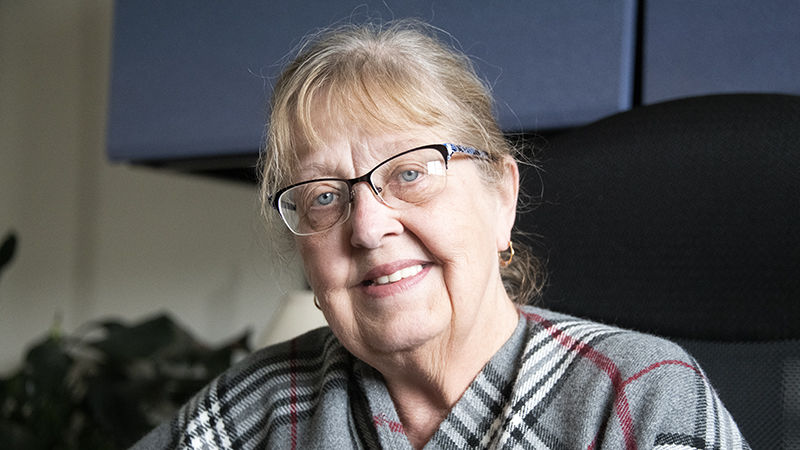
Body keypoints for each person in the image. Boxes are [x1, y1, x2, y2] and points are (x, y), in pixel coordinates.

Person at [133, 20, 749, 449]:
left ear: (501, 197)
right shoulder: (257, 407)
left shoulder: (639, 399)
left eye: (410, 172)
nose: (370, 227)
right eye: (324, 196)